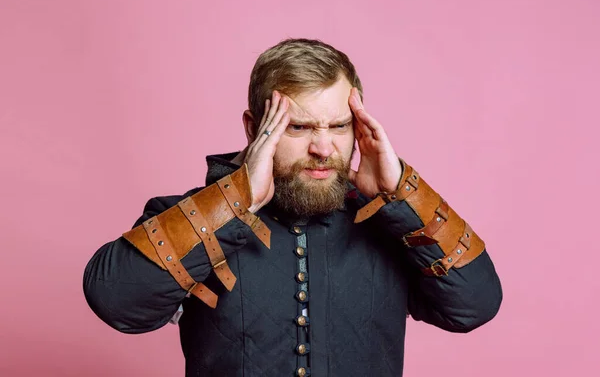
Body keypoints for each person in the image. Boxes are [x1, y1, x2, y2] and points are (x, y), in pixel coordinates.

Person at [83, 38, 502, 376]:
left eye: (339, 126)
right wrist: (236, 200)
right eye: (298, 127)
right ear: (254, 129)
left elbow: (475, 305)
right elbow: (116, 300)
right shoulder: (189, 218)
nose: (323, 148)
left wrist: (401, 193)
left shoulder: (392, 226)